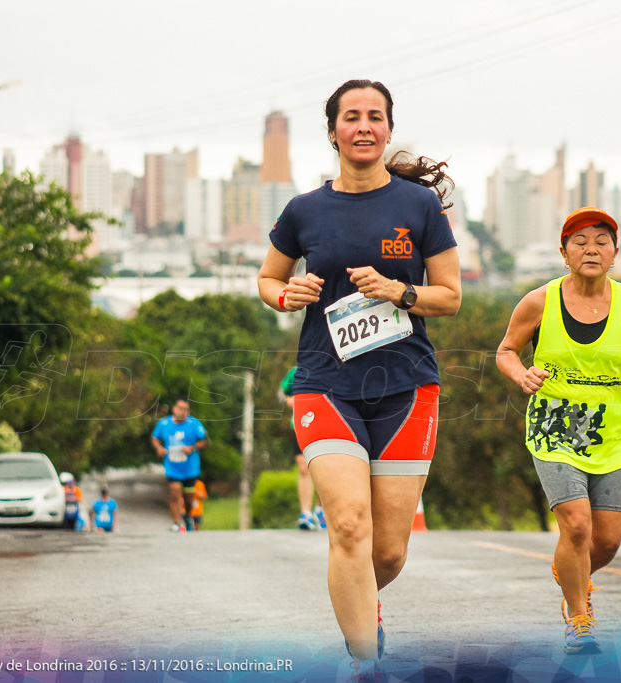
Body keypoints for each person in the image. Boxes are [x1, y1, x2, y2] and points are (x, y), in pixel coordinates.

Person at [257, 79, 461, 666]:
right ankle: (364, 664)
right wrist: (286, 294)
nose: (364, 126)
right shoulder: (304, 210)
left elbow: (450, 297)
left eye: (375, 116)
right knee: (348, 527)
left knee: (389, 552)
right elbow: (268, 279)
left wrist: (400, 291)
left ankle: (362, 604)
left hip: (405, 386)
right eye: (351, 117)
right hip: (325, 384)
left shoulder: (419, 207)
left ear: (389, 129)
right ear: (333, 132)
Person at [495, 206, 621, 655]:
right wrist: (521, 375)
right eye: (580, 241)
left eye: (601, 241)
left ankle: (570, 571)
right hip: (556, 428)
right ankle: (579, 620)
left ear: (615, 253)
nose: (591, 248)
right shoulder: (538, 301)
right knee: (576, 525)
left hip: (612, 431)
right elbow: (507, 351)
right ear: (564, 252)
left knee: (605, 540)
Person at [151, 398, 209, 533]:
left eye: (186, 409)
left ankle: (188, 516)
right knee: (174, 493)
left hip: (190, 468)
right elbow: (155, 438)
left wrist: (192, 447)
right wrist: (159, 448)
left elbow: (205, 441)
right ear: (174, 409)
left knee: (188, 499)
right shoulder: (164, 423)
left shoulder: (194, 424)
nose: (183, 412)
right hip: (172, 467)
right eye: (181, 408)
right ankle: (176, 522)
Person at [280, 366, 324, 531]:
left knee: (320, 468)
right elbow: (284, 391)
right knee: (304, 468)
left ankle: (320, 510)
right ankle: (305, 513)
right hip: (300, 424)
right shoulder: (295, 371)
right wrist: (288, 399)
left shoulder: (328, 367)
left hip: (323, 424)